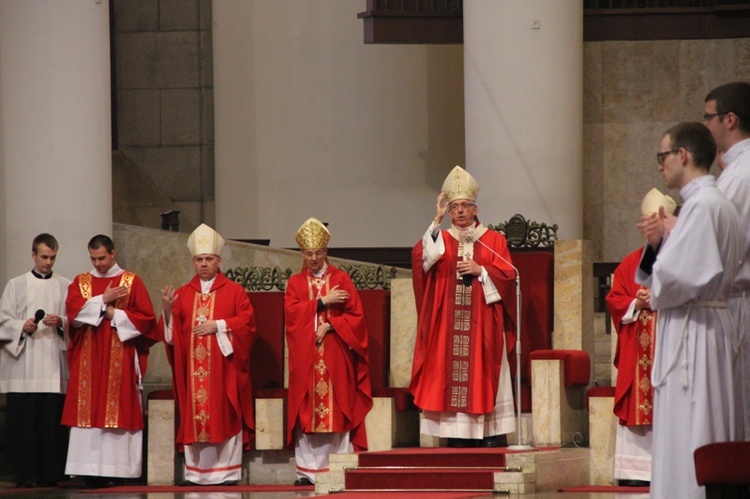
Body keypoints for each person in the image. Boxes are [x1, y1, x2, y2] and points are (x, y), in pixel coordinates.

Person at [636, 122, 742, 499]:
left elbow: (677, 277)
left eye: (662, 157)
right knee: (704, 417)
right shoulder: (714, 203)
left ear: (683, 155)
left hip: (694, 331)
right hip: (705, 324)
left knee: (692, 424)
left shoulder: (702, 205)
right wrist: (662, 242)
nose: (660, 166)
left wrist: (661, 254)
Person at [410, 165, 517, 448]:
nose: (459, 211)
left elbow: (509, 276)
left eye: (464, 206)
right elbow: (422, 258)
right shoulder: (442, 239)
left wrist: (482, 270)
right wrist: (435, 220)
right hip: (449, 324)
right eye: (454, 206)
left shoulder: (494, 240)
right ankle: (456, 434)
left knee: (484, 372)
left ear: (475, 208)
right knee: (448, 371)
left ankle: (490, 433)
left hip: (484, 325)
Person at [160, 223, 255, 485]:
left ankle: (226, 472)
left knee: (224, 414)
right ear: (193, 262)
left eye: (209, 259)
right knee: (195, 415)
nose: (204, 264)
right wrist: (167, 311)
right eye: (200, 259)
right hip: (193, 373)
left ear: (219, 260)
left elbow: (248, 324)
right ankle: (195, 473)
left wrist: (220, 325)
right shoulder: (181, 294)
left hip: (223, 372)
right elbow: (171, 336)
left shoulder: (235, 292)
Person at [62, 234, 159, 487]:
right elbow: (72, 314)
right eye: (94, 259)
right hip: (89, 358)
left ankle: (118, 472)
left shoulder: (131, 281)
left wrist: (116, 314)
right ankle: (89, 471)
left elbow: (147, 320)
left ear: (113, 254)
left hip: (120, 356)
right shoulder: (81, 281)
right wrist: (102, 301)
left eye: (103, 258)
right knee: (88, 410)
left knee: (118, 407)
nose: (99, 264)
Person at [284, 217, 372, 486]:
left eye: (318, 253)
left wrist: (332, 324)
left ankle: (339, 469)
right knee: (308, 412)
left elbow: (357, 318)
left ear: (326, 252)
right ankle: (307, 473)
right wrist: (322, 301)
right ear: (301, 253)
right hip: (307, 357)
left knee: (338, 408)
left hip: (335, 356)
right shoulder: (296, 283)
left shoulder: (341, 278)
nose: (313, 258)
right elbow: (291, 315)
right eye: (308, 253)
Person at [605, 189, 676, 486]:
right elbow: (614, 298)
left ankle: (671, 470)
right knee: (639, 401)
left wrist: (658, 297)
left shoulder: (680, 259)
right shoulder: (631, 261)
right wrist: (637, 302)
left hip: (670, 349)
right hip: (640, 349)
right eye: (646, 223)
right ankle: (636, 472)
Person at [0, 233, 70, 488]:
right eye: (44, 257)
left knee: (51, 420)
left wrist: (61, 322)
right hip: (24, 365)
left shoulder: (66, 285)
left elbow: (76, 322)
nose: (48, 262)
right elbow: (3, 322)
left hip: (52, 363)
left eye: (52, 257)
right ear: (33, 255)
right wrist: (22, 325)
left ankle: (52, 473)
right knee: (25, 421)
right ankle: (23, 473)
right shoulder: (15, 285)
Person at [704, 81, 750, 440]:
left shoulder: (741, 173)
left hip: (737, 301)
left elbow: (717, 242)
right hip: (732, 299)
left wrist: (674, 229)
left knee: (738, 411)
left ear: (730, 119)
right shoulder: (734, 170)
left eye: (709, 117)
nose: (705, 126)